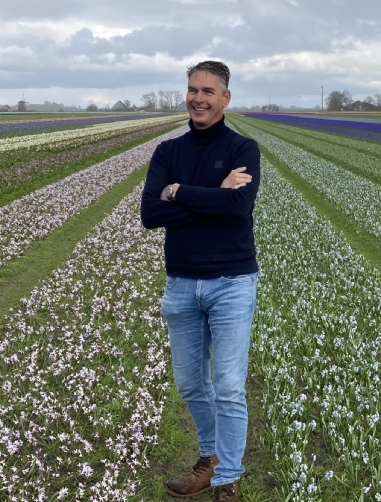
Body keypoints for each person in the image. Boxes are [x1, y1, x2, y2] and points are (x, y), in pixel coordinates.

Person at [140, 60, 260, 502]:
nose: (198, 98)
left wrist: (179, 191)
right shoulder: (167, 152)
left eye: (209, 91)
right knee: (191, 383)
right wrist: (215, 190)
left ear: (226, 98)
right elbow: (150, 215)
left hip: (232, 281)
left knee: (228, 385)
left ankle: (227, 477)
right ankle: (209, 459)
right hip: (182, 283)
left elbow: (237, 207)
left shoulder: (244, 149)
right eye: (193, 89)